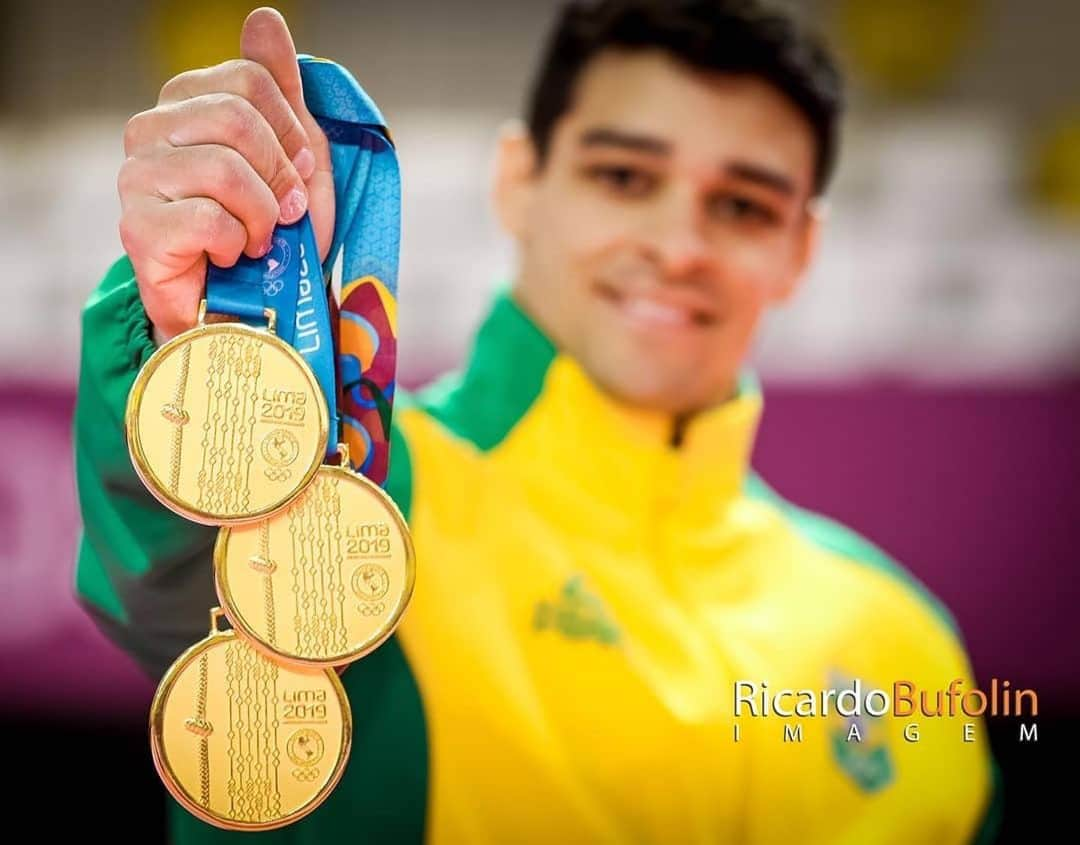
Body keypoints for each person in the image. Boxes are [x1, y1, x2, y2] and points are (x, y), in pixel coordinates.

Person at [73, 2, 1000, 843]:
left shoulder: (904, 640)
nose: (678, 248)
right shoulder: (354, 490)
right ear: (519, 179)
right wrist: (195, 337)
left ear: (801, 248)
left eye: (742, 206)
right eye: (626, 177)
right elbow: (162, 568)